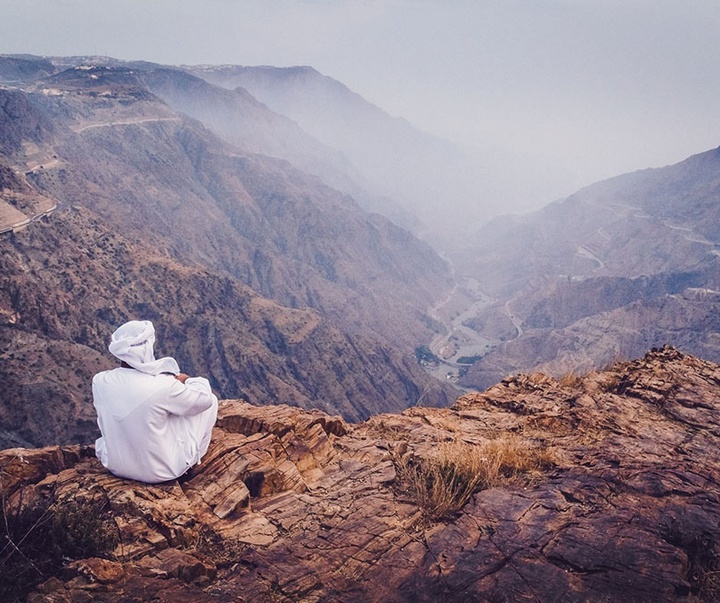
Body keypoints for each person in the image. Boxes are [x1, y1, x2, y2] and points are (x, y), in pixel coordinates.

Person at [92, 320, 218, 484]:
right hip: (161, 472)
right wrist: (189, 380)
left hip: (116, 465)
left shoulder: (100, 381)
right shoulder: (163, 385)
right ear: (147, 347)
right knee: (211, 402)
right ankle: (193, 459)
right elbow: (204, 400)